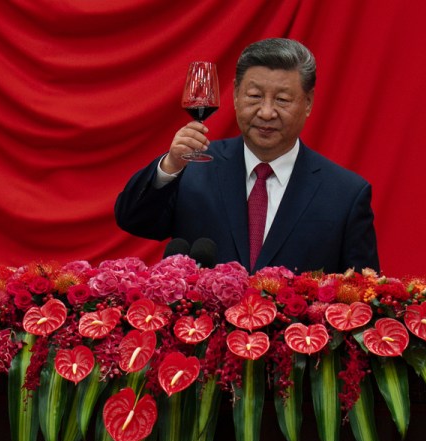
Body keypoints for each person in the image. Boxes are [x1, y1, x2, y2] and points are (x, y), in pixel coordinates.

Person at [115, 38, 379, 274]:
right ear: (237, 95)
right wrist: (170, 166)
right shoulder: (193, 170)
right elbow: (134, 220)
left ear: (308, 102)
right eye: (254, 96)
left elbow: (362, 302)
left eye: (282, 100)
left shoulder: (345, 194)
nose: (266, 112)